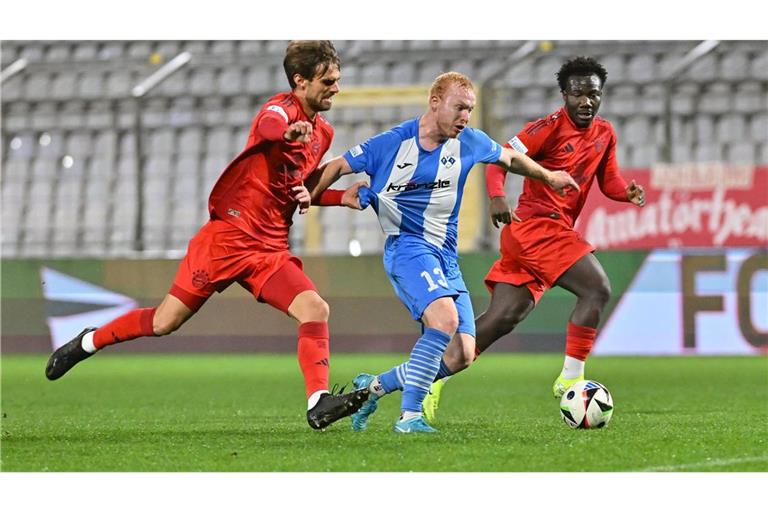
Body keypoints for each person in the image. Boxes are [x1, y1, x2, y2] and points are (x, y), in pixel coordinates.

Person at [45, 40, 369, 430]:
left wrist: (336, 197)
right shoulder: (280, 110)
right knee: (165, 322)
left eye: (337, 79)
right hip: (227, 238)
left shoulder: (324, 132)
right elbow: (268, 126)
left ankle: (318, 402)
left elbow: (294, 188)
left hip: (269, 249)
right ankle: (88, 341)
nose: (336, 87)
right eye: (328, 80)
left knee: (315, 308)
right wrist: (285, 134)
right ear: (300, 81)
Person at [308, 72, 579, 433]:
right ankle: (409, 417)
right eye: (459, 107)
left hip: (446, 257)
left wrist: (550, 177)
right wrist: (308, 195)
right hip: (408, 248)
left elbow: (510, 160)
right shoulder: (393, 143)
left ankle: (371, 388)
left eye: (470, 109)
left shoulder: (470, 142)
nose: (465, 116)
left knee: (462, 353)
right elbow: (339, 165)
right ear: (435, 102)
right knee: (445, 321)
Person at [423, 56, 646, 420]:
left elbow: (609, 180)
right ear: (564, 95)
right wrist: (497, 197)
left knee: (503, 317)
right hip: (536, 227)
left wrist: (627, 193)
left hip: (542, 233)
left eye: (593, 94)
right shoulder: (546, 128)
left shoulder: (605, 133)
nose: (586, 101)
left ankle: (430, 379)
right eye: (578, 94)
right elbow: (501, 159)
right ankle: (570, 379)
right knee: (597, 289)